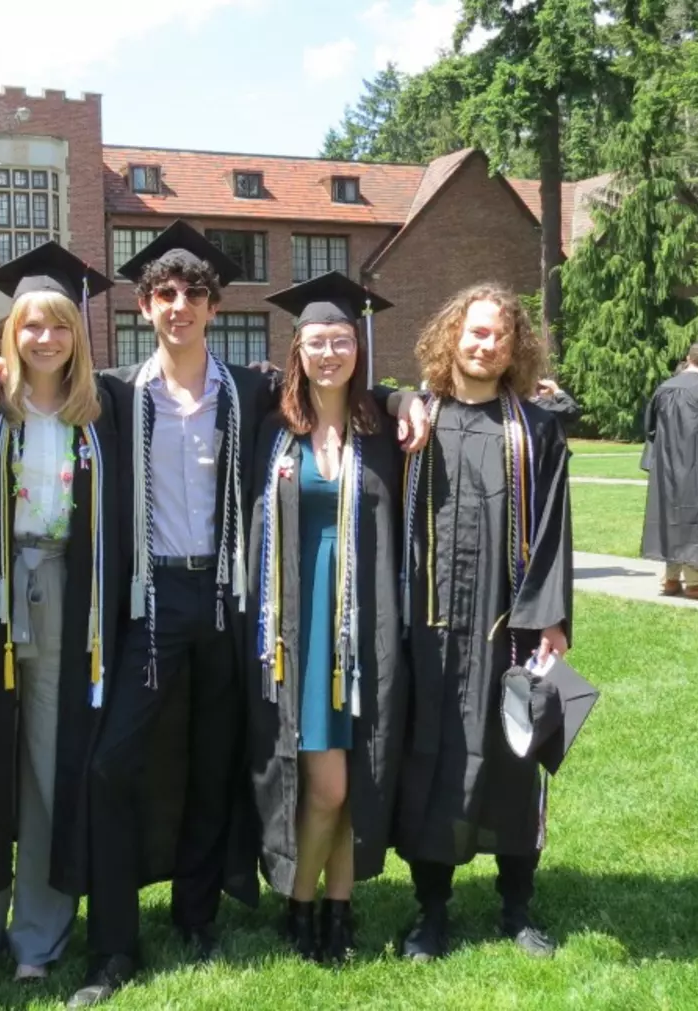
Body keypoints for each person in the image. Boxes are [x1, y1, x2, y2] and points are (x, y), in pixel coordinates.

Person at [61, 222, 428, 1008]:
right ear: (144, 304)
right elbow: (39, 392)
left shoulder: (248, 390)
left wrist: (406, 398)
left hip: (228, 601)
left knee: (213, 759)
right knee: (111, 762)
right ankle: (113, 944)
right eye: (166, 294)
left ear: (214, 303)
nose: (180, 306)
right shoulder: (117, 395)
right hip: (151, 598)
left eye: (195, 293)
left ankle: (196, 916)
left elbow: (336, 391)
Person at [0, 243, 124, 983]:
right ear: (9, 334)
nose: (46, 338)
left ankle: (40, 934)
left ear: (78, 336)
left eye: (60, 326)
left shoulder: (105, 410)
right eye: (31, 326)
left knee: (50, 766)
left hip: (66, 597)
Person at [393, 282, 572, 963]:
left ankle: (517, 908)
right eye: (473, 331)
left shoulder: (535, 428)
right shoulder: (417, 420)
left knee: (513, 758)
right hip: (429, 626)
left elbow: (556, 527)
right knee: (429, 759)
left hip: (509, 625)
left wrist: (551, 617)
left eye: (497, 334)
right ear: (450, 336)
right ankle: (430, 911)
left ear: (514, 345)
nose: (484, 342)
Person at [245, 272, 407, 965]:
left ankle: (335, 909)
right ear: (298, 351)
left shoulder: (385, 430)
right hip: (302, 627)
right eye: (317, 341)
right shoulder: (273, 427)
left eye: (342, 339)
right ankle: (301, 900)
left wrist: (408, 398)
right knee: (327, 781)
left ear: (358, 347)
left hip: (367, 620)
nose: (330, 352)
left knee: (354, 777)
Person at [640, 341, 698, 603]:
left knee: (672, 517)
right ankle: (694, 583)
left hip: (666, 466)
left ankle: (671, 579)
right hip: (697, 466)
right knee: (696, 518)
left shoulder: (664, 388)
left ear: (688, 358)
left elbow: (649, 428)